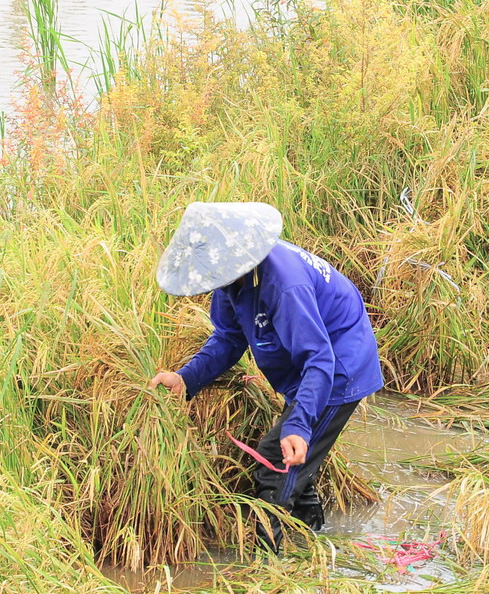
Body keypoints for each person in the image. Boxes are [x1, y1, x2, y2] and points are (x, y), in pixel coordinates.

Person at [148, 202, 384, 548]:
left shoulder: (284, 286)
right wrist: (186, 379)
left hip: (337, 368)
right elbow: (228, 339)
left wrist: (299, 426)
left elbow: (319, 359)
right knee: (294, 462)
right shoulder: (232, 281)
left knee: (275, 465)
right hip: (310, 363)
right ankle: (313, 538)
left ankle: (269, 569)